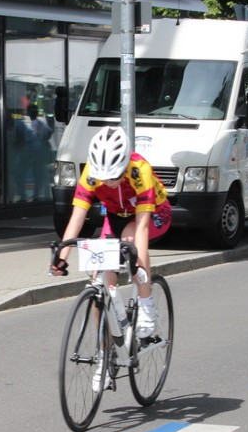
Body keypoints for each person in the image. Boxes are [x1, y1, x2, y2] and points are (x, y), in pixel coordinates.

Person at [51, 126, 172, 355]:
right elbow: (76, 219)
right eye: (104, 177)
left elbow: (142, 227)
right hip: (116, 216)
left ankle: (146, 304)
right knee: (100, 278)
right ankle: (104, 353)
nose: (109, 182)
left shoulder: (140, 170)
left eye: (115, 176)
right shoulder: (91, 174)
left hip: (153, 214)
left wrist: (138, 265)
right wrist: (61, 257)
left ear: (125, 163)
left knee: (129, 238)